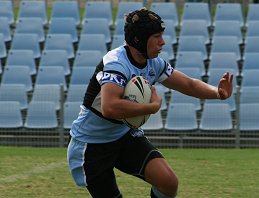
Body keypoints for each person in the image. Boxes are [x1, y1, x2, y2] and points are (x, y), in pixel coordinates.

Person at [67, 7, 233, 198]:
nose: (162, 42)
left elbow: (189, 84)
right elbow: (110, 107)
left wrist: (218, 93)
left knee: (168, 182)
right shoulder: (116, 64)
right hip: (92, 145)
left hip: (123, 137)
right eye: (156, 36)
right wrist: (151, 107)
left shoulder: (154, 64)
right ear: (138, 39)